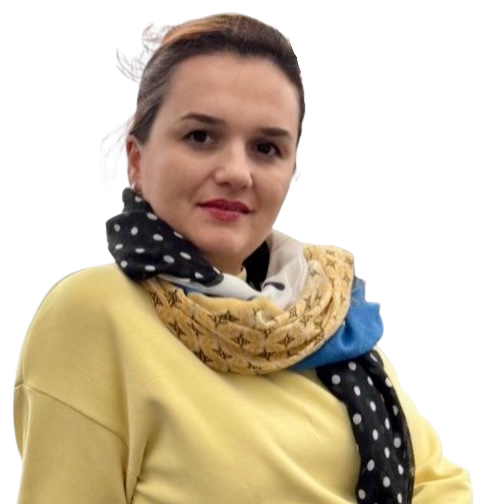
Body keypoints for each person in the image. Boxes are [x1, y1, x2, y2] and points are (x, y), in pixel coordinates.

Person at [13, 12, 473, 504]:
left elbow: (440, 482)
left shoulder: (326, 317)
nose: (236, 171)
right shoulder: (93, 312)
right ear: (137, 161)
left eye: (266, 148)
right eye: (200, 136)